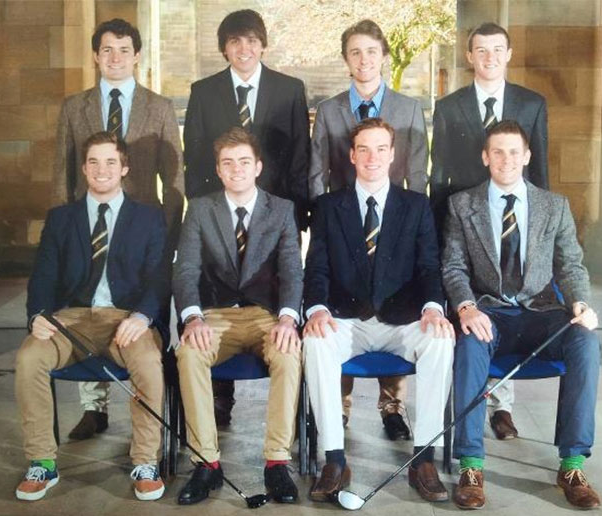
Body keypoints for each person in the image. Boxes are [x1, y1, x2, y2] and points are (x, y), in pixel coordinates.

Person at [442, 120, 601, 510]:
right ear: (485, 157)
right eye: (497, 152)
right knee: (469, 342)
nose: (506, 159)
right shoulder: (462, 205)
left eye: (514, 152)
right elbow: (454, 267)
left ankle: (573, 465)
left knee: (585, 341)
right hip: (490, 312)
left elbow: (571, 265)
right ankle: (471, 466)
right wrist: (466, 307)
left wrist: (580, 302)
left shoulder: (554, 206)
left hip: (541, 312)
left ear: (527, 156)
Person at [303, 118, 454, 503]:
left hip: (401, 321)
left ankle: (424, 458)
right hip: (347, 318)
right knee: (316, 342)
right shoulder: (328, 206)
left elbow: (429, 267)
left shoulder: (415, 206)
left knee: (440, 340)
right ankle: (334, 459)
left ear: (393, 155)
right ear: (352, 156)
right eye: (364, 149)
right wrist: (317, 309)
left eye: (381, 149)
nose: (373, 157)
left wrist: (433, 309)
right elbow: (316, 267)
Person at [15, 132, 169, 502]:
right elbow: (43, 275)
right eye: (94, 162)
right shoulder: (61, 218)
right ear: (84, 169)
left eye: (111, 162)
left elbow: (160, 276)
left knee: (149, 363)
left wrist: (143, 316)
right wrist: (38, 315)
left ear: (124, 168)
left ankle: (145, 462)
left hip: (126, 319)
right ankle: (42, 462)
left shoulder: (149, 217)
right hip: (71, 320)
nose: (102, 170)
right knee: (28, 358)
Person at [53, 18, 184, 441]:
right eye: (107, 50)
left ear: (137, 56)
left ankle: (148, 412)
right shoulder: (74, 107)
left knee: (142, 319)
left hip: (143, 233)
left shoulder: (159, 107)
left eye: (124, 50)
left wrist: (169, 238)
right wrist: (62, 233)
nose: (115, 58)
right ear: (95, 56)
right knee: (88, 308)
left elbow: (174, 180)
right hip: (88, 229)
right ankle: (94, 408)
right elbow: (62, 175)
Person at [183, 9, 310, 424]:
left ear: (263, 45)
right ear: (224, 48)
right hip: (220, 215)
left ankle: (287, 410)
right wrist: (207, 214)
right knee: (221, 295)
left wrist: (295, 213)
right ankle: (221, 397)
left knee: (267, 300)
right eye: (235, 41)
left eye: (252, 40)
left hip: (274, 216)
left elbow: (299, 156)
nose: (244, 49)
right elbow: (194, 157)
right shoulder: (204, 91)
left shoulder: (289, 89)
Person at [309, 18, 430, 440]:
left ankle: (392, 406)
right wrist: (320, 222)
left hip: (393, 224)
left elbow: (418, 172)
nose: (364, 60)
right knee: (346, 308)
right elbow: (317, 172)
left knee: (394, 302)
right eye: (355, 52)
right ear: (346, 60)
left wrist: (412, 224)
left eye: (372, 52)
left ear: (384, 57)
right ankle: (338, 409)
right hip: (344, 226)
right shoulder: (329, 111)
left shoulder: (407, 108)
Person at [172, 128, 303, 505]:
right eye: (228, 163)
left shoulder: (281, 209)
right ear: (218, 169)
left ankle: (277, 462)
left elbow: (292, 270)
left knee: (289, 353)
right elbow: (186, 269)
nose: (237, 169)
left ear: (258, 166)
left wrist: (288, 318)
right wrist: (192, 318)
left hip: (266, 316)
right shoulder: (200, 209)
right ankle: (206, 464)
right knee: (189, 353)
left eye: (244, 162)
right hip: (215, 315)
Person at [431, 22, 549, 438]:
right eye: (481, 50)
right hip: (467, 221)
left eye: (497, 49)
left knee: (508, 298)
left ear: (509, 54)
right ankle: (471, 404)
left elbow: (540, 172)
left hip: (514, 217)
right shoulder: (449, 107)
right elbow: (439, 174)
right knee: (475, 310)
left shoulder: (532, 104)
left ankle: (502, 407)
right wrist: (439, 228)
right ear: (469, 56)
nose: (489, 57)